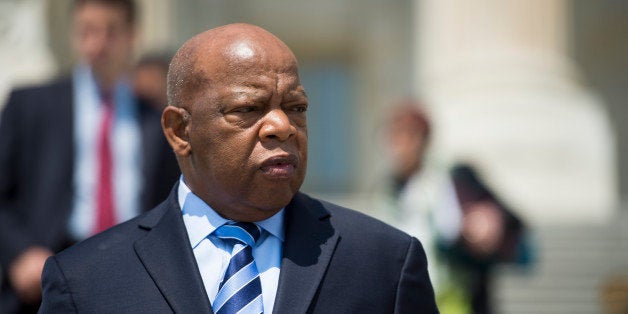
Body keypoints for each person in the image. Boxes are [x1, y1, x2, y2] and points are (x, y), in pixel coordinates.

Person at [38, 23, 439, 313]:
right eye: (248, 109)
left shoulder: (384, 262)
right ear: (180, 130)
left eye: (296, 108)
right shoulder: (86, 281)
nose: (282, 126)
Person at [0, 0, 179, 312]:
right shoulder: (30, 105)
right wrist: (20, 252)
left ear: (132, 35)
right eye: (88, 31)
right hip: (46, 274)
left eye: (111, 31)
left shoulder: (156, 118)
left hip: (132, 276)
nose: (98, 43)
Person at [375, 100, 531, 314]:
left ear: (424, 139)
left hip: (461, 299)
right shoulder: (387, 193)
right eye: (395, 136)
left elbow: (511, 218)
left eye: (409, 134)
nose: (401, 144)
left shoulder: (455, 177)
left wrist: (487, 220)